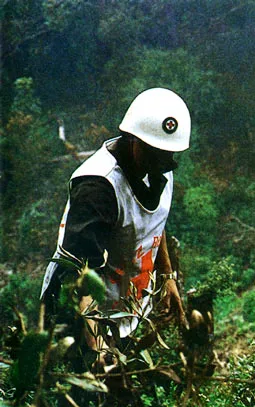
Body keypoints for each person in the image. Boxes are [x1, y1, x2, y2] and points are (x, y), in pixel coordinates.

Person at [40, 87, 190, 366]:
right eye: (154, 153)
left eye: (167, 156)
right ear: (133, 139)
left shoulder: (159, 167)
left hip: (122, 312)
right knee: (81, 397)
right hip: (77, 318)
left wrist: (167, 276)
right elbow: (79, 278)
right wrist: (99, 348)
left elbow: (155, 220)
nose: (161, 163)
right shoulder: (98, 188)